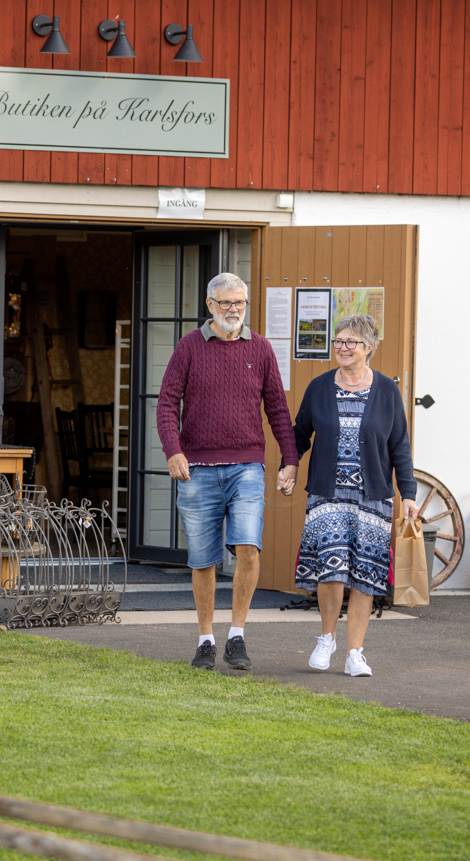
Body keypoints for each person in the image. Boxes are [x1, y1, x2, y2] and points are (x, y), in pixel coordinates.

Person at [156, 272, 299, 672]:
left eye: (239, 303)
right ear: (210, 306)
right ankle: (205, 639)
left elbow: (277, 410)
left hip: (247, 467)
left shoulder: (262, 349)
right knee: (203, 559)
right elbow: (166, 404)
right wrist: (173, 451)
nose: (234, 310)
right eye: (226, 303)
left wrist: (290, 458)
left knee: (249, 546)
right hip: (197, 468)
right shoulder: (188, 348)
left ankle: (237, 634)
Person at [292, 312, 416, 677]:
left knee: (365, 575)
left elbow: (400, 447)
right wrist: (290, 465)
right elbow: (300, 433)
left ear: (369, 348)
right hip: (327, 493)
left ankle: (354, 652)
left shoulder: (388, 391)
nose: (342, 348)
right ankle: (327, 638)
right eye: (338, 341)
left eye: (351, 342)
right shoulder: (319, 387)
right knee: (330, 570)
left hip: (372, 496)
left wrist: (407, 493)